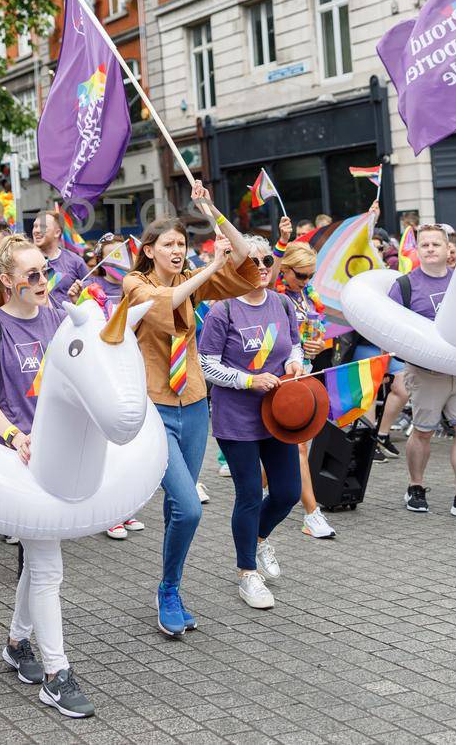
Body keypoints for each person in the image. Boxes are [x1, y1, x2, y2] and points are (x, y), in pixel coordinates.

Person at [122, 181, 261, 637]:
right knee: (190, 507)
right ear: (149, 250)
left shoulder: (190, 278)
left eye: (183, 243)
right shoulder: (135, 283)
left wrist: (212, 211)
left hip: (195, 403)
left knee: (176, 510)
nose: (178, 251)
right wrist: (208, 269)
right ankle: (167, 589)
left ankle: (171, 588)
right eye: (169, 244)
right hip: (156, 407)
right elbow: (165, 305)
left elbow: (246, 266)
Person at [0, 235, 92, 718]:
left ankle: (18, 643)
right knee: (48, 565)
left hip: (58, 455)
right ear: (8, 282)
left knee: (39, 559)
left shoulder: (57, 316)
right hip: (17, 458)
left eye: (47, 271)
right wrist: (16, 437)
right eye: (34, 275)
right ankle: (58, 674)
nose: (44, 281)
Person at [198, 235, 308, 610]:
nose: (261, 267)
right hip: (237, 418)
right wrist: (249, 380)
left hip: (278, 414)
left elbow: (293, 344)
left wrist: (296, 363)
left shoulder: (281, 302)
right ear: (235, 266)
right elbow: (206, 364)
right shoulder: (222, 310)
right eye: (253, 261)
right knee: (247, 494)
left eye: (266, 261)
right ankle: (247, 572)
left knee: (288, 492)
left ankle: (259, 539)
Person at [392, 224, 456, 520]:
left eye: (436, 244)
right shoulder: (405, 285)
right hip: (427, 373)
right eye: (424, 244)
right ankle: (415, 486)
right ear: (417, 249)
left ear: (447, 248)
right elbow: (390, 327)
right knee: (423, 432)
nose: (430, 249)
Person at [276, 241, 337, 539]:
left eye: (311, 275)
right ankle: (312, 514)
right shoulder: (275, 298)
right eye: (301, 275)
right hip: (280, 376)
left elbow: (320, 331)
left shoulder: (307, 295)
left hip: (307, 371)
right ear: (284, 271)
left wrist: (319, 344)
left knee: (283, 443)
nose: (306, 281)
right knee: (298, 444)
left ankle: (260, 487)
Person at [31, 208, 88, 308]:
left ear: (57, 233)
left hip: (67, 321)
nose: (36, 231)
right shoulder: (24, 260)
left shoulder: (75, 261)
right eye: (35, 226)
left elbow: (89, 296)